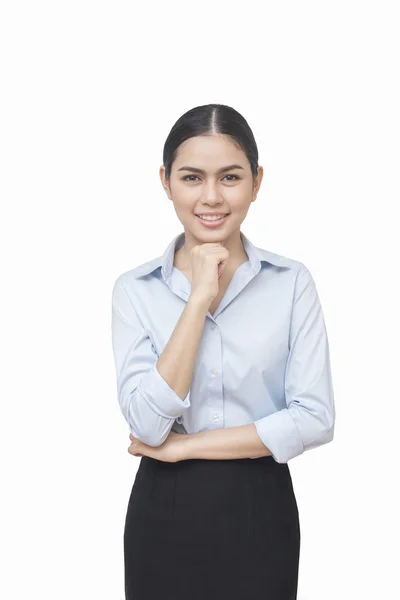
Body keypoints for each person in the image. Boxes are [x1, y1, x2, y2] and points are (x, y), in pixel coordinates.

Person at [111, 103, 335, 600]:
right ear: (166, 181)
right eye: (192, 177)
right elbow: (147, 425)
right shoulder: (135, 290)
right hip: (162, 510)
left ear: (257, 182)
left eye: (230, 177)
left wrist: (185, 446)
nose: (211, 197)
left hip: (261, 508)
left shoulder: (292, 282)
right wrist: (198, 300)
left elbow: (315, 417)